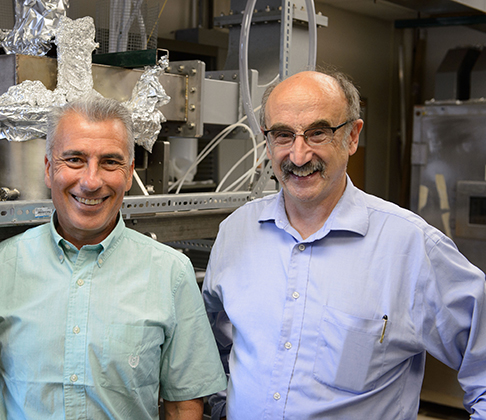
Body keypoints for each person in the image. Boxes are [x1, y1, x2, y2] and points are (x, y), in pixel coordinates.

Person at [0, 96, 227, 419]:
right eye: (74, 159)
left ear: (129, 174)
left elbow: (183, 404)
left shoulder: (170, 273)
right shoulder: (2, 265)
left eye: (110, 162)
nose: (90, 181)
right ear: (48, 169)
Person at [202, 70, 486, 419]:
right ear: (267, 141)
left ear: (352, 137)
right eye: (283, 135)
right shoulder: (236, 232)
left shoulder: (411, 247)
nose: (299, 154)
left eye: (318, 133)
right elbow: (207, 346)